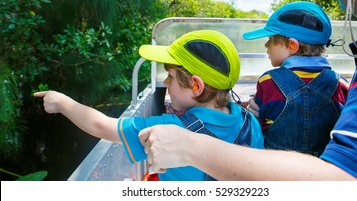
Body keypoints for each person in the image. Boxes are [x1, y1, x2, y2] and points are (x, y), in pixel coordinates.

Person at [138, 0, 357, 181]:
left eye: (271, 41)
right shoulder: (343, 80)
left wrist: (192, 147)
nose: (266, 46)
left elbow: (351, 179)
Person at [34, 29, 264, 181]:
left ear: (196, 86)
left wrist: (62, 103)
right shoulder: (250, 122)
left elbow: (101, 126)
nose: (165, 82)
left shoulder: (170, 128)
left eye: (171, 77)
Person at [243, 1, 349, 156]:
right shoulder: (341, 84)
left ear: (292, 45)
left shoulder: (268, 81)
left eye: (271, 39)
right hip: (322, 170)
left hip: (275, 168)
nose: (266, 45)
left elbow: (256, 127)